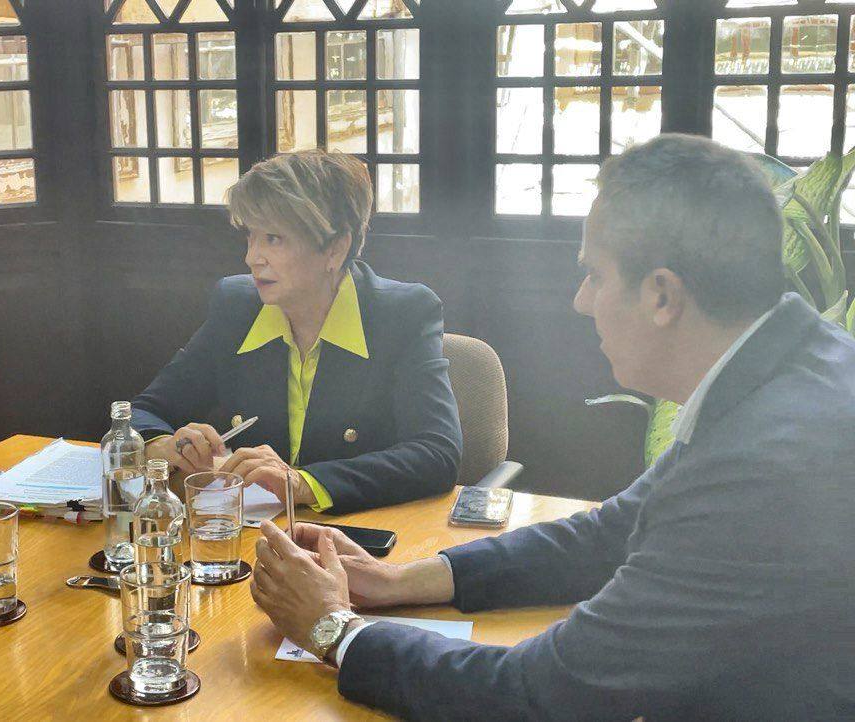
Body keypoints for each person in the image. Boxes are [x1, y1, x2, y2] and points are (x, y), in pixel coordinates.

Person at [250, 135, 855, 720]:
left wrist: (334, 629)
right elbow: (610, 533)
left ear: (662, 295)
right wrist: (396, 579)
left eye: (594, 274)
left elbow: (538, 696)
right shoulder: (794, 365)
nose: (580, 301)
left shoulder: (762, 469)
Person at [130, 150, 462, 514]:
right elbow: (141, 413)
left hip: (357, 538)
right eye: (251, 236)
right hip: (250, 537)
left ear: (335, 248)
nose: (252, 257)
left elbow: (437, 453)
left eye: (273, 238)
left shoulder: (404, 313)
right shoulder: (237, 306)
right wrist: (162, 445)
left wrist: (303, 483)